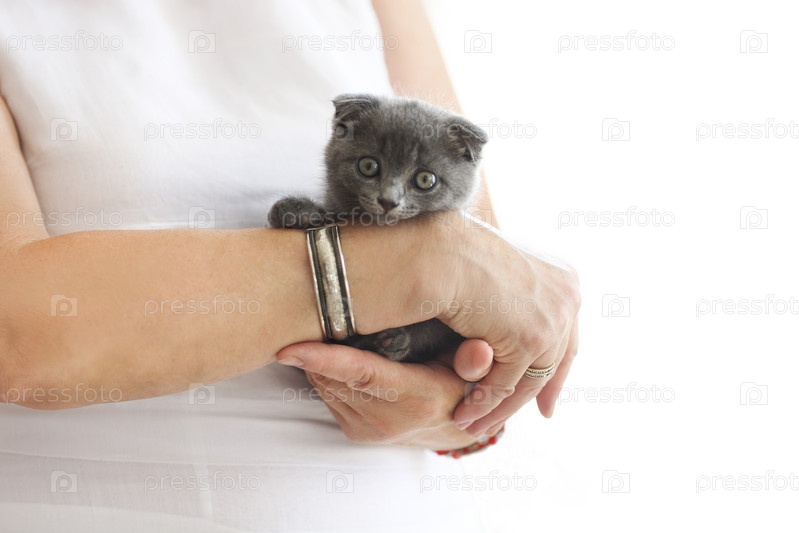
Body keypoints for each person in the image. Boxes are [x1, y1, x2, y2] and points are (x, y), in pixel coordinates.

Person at [0, 1, 580, 531]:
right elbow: (17, 334)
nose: (391, 197)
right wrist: (385, 270)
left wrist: (459, 413)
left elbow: (478, 286)